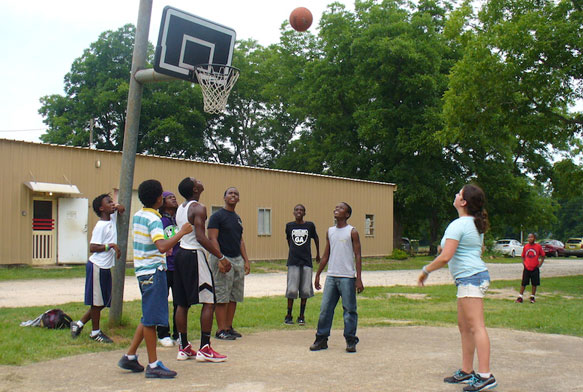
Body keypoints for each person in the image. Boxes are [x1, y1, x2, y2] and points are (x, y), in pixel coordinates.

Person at [418, 184, 497, 392]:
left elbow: (445, 257)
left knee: (476, 327)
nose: (455, 195)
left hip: (471, 279)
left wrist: (425, 270)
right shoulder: (474, 224)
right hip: (469, 279)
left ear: (463, 202)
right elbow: (476, 249)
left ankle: (486, 376)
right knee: (464, 327)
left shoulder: (458, 224)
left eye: (459, 193)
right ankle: (466, 370)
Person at [117, 179, 192, 379]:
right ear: (159, 199)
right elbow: (162, 246)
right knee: (151, 320)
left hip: (143, 271)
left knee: (147, 314)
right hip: (154, 272)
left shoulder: (139, 215)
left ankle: (130, 356)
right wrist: (182, 233)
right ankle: (153, 364)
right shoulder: (154, 219)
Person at [173, 177, 227, 362]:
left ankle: (183, 346)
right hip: (193, 255)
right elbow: (201, 237)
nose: (201, 180)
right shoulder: (199, 208)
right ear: (196, 189)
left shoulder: (180, 208)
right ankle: (205, 348)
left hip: (179, 253)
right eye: (197, 180)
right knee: (208, 300)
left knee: (182, 303)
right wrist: (220, 256)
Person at [310, 202, 363, 353]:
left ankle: (350, 340)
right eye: (336, 207)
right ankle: (321, 339)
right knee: (325, 309)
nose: (336, 209)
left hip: (347, 277)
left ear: (347, 214)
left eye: (341, 208)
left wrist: (358, 278)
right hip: (332, 276)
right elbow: (326, 255)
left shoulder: (352, 232)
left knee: (349, 310)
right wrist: (319, 274)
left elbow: (358, 255)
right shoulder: (330, 231)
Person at [70, 194, 124, 343]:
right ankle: (95, 332)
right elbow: (92, 247)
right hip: (97, 266)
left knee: (104, 301)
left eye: (112, 201)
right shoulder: (100, 226)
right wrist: (110, 246)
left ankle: (79, 324)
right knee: (97, 302)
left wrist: (118, 206)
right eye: (109, 202)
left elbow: (122, 209)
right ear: (101, 208)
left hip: (105, 267)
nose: (112, 204)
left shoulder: (111, 218)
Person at [208, 187, 251, 340]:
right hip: (222, 258)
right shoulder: (217, 216)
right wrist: (220, 259)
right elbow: (212, 239)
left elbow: (240, 240)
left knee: (234, 295)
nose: (233, 195)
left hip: (236, 259)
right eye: (230, 193)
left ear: (239, 199)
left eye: (236, 194)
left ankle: (228, 326)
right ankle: (220, 330)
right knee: (222, 295)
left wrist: (246, 260)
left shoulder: (237, 218)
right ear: (224, 197)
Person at [284, 204, 320, 325]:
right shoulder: (289, 226)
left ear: (305, 213)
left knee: (305, 289)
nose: (299, 212)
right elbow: (289, 239)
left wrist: (318, 254)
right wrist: (293, 251)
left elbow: (316, 238)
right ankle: (288, 315)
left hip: (306, 261)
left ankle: (301, 315)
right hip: (293, 261)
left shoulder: (309, 225)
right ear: (293, 212)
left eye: (301, 210)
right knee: (292, 289)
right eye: (297, 210)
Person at [157, 191, 179, 347]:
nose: (174, 198)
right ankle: (163, 333)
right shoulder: (160, 221)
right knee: (162, 300)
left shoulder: (179, 221)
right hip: (165, 266)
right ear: (163, 202)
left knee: (179, 301)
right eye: (169, 197)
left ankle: (178, 333)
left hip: (178, 266)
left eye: (174, 197)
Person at [516, 233, 545, 304]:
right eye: (529, 237)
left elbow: (543, 255)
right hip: (527, 267)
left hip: (535, 268)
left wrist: (540, 263)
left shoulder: (538, 246)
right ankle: (520, 297)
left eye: (532, 237)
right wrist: (524, 264)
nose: (530, 239)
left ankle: (532, 297)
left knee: (534, 283)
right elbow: (523, 256)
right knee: (524, 283)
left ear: (535, 238)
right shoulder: (526, 246)